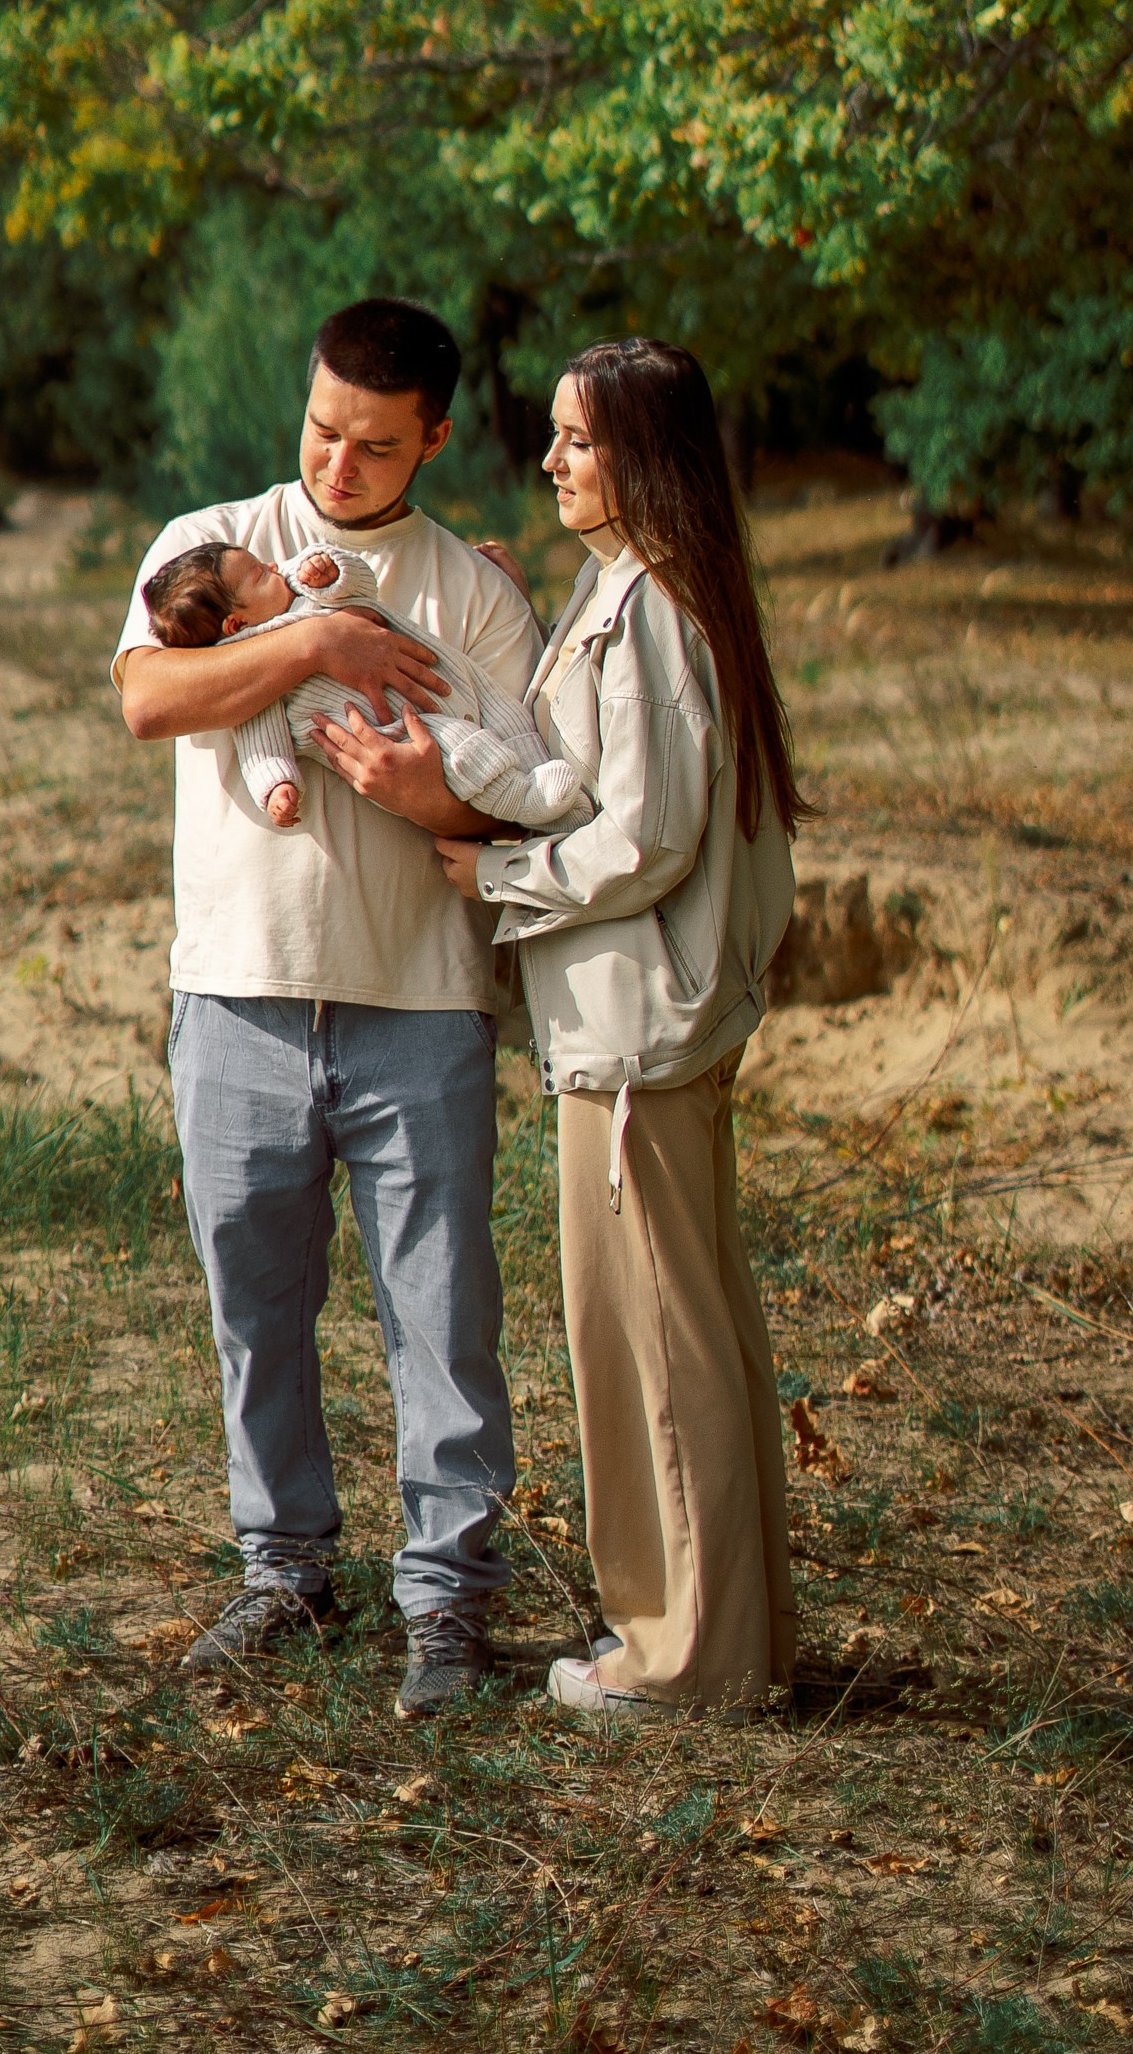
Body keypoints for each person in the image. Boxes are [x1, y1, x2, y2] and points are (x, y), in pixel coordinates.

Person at [326, 336, 802, 1718]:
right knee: (691, 1327)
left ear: (642, 456)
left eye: (577, 442)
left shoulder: (653, 608)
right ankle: (733, 1638)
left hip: (635, 1030)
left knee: (650, 1337)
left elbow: (642, 836)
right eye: (554, 436)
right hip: (650, 1026)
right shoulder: (644, 594)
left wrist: (497, 877)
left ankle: (681, 1659)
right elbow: (595, 776)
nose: (550, 461)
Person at [112, 298, 542, 1719]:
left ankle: (449, 1603)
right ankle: (285, 1570)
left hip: (417, 1003)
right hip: (234, 993)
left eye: (373, 443)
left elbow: (534, 776)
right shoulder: (210, 543)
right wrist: (308, 647)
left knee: (440, 1313)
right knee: (256, 1303)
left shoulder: (473, 592)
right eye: (320, 428)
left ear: (435, 436)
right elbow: (147, 699)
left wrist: (431, 794)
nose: (337, 464)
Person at [137, 536, 587, 833]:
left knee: (511, 717)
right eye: (259, 575)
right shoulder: (250, 673)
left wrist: (332, 574)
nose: (275, 566)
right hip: (410, 730)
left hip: (457, 680)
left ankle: (569, 813)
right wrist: (275, 786)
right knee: (463, 747)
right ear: (236, 623)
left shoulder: (303, 590)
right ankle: (526, 800)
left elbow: (360, 589)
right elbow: (260, 741)